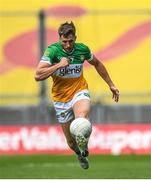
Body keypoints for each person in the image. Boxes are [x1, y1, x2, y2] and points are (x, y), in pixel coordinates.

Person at [35, 21, 119, 169]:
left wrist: (110, 84)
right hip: (60, 99)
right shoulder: (52, 51)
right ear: (59, 39)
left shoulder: (82, 50)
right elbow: (38, 75)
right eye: (64, 42)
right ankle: (80, 154)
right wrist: (58, 65)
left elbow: (97, 63)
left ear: (75, 38)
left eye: (71, 41)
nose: (68, 45)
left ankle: (83, 139)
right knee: (71, 142)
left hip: (79, 91)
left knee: (82, 117)